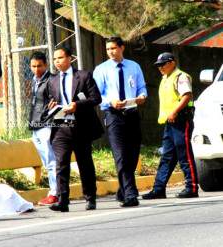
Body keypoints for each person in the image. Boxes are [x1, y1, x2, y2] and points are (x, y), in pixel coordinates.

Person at [47, 47, 103, 212]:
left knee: (84, 163)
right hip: (60, 126)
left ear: (70, 58)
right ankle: (63, 200)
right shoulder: (53, 80)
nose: (57, 61)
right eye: (55, 59)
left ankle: (90, 197)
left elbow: (96, 98)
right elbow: (51, 99)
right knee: (61, 163)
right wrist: (50, 105)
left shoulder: (84, 76)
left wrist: (76, 106)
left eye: (60, 58)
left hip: (80, 126)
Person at [93, 36, 147, 207]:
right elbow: (96, 95)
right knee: (121, 156)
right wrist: (111, 101)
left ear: (122, 48)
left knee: (132, 154)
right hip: (114, 115)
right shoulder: (101, 69)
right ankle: (131, 194)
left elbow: (141, 87)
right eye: (108, 49)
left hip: (132, 114)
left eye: (114, 48)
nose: (110, 52)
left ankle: (122, 190)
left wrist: (142, 96)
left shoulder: (134, 66)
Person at [142, 52, 198, 199]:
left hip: (180, 119)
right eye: (158, 65)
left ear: (172, 62)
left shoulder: (180, 76)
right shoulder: (165, 78)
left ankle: (192, 187)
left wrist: (174, 112)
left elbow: (187, 96)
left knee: (184, 153)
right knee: (167, 156)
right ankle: (158, 189)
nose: (160, 67)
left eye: (163, 64)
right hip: (170, 122)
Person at [28, 52, 58, 206]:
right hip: (36, 125)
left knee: (51, 160)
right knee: (46, 161)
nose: (36, 69)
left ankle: (55, 193)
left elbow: (55, 100)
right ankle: (55, 190)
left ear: (45, 65)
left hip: (47, 124)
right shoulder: (34, 80)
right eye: (33, 66)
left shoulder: (52, 80)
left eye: (39, 66)